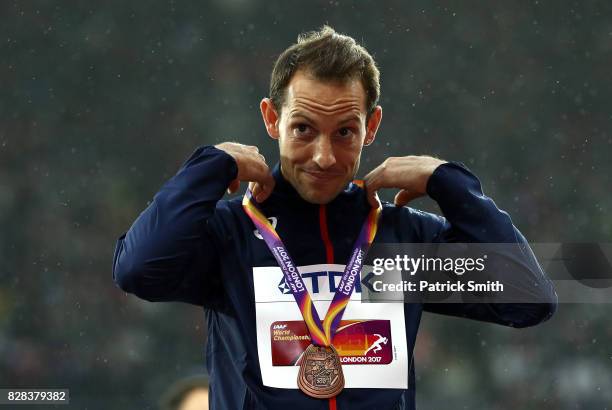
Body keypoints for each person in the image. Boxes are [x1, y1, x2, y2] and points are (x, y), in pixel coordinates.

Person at [112, 26, 557, 410]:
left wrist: (449, 183)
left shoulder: (397, 243)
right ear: (272, 119)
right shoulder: (234, 235)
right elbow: (137, 270)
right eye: (303, 129)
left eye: (345, 132)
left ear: (372, 126)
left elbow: (530, 300)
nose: (324, 156)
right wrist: (209, 166)